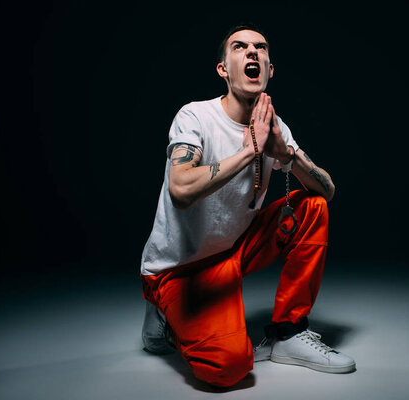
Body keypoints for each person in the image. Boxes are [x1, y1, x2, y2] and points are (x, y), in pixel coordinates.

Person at [139, 24, 355, 388]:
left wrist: (283, 152)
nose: (252, 52)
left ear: (269, 69)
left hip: (235, 250)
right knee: (229, 368)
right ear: (224, 69)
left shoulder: (272, 125)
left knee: (312, 206)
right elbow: (180, 188)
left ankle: (287, 334)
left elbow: (327, 189)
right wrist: (249, 151)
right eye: (239, 47)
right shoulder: (195, 117)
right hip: (179, 270)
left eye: (261, 48)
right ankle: (165, 313)